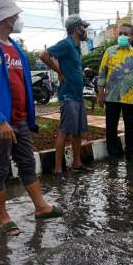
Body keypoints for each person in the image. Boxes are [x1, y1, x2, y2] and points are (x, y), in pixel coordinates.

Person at [0, 0, 62, 236]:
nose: (18, 18)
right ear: (5, 17)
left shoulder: (15, 47)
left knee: (28, 163)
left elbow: (22, 84)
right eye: (15, 15)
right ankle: (3, 218)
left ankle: (41, 207)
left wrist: (29, 117)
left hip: (19, 120)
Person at [39, 15, 93, 179]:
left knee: (77, 131)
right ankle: (57, 169)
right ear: (76, 28)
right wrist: (59, 72)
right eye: (82, 27)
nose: (85, 30)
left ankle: (76, 163)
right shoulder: (66, 43)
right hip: (68, 94)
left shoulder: (76, 47)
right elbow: (44, 55)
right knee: (65, 131)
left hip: (77, 95)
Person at [97, 23, 133, 165]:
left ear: (132, 37)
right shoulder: (109, 51)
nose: (122, 36)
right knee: (111, 125)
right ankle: (113, 154)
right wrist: (100, 93)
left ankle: (130, 153)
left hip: (130, 96)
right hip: (112, 95)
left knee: (130, 126)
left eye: (126, 34)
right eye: (120, 34)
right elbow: (102, 72)